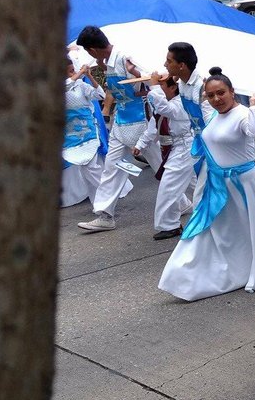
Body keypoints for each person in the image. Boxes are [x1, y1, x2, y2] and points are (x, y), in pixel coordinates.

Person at [158, 68, 255, 300]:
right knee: (213, 230)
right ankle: (184, 277)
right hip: (217, 184)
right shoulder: (214, 115)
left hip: (244, 184)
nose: (216, 99)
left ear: (232, 92)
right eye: (210, 95)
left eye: (221, 93)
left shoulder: (244, 114)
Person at [75, 25, 161, 233]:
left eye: (87, 50)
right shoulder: (108, 62)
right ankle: (105, 214)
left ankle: (188, 200)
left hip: (140, 123)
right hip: (120, 123)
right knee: (112, 168)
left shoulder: (125, 59)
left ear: (93, 49)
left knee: (162, 165)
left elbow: (148, 82)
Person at [144, 42, 206, 241]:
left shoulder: (200, 86)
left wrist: (154, 87)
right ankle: (185, 221)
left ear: (182, 65)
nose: (165, 65)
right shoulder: (183, 85)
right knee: (198, 184)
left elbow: (172, 111)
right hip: (192, 143)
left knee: (173, 183)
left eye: (169, 61)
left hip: (196, 143)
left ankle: (173, 224)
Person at [62, 58, 129, 208]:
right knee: (86, 170)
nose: (74, 72)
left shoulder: (81, 85)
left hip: (88, 132)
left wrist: (90, 77)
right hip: (70, 136)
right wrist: (80, 72)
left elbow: (100, 96)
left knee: (90, 168)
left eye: (73, 69)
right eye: (70, 70)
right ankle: (98, 202)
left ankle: (107, 197)